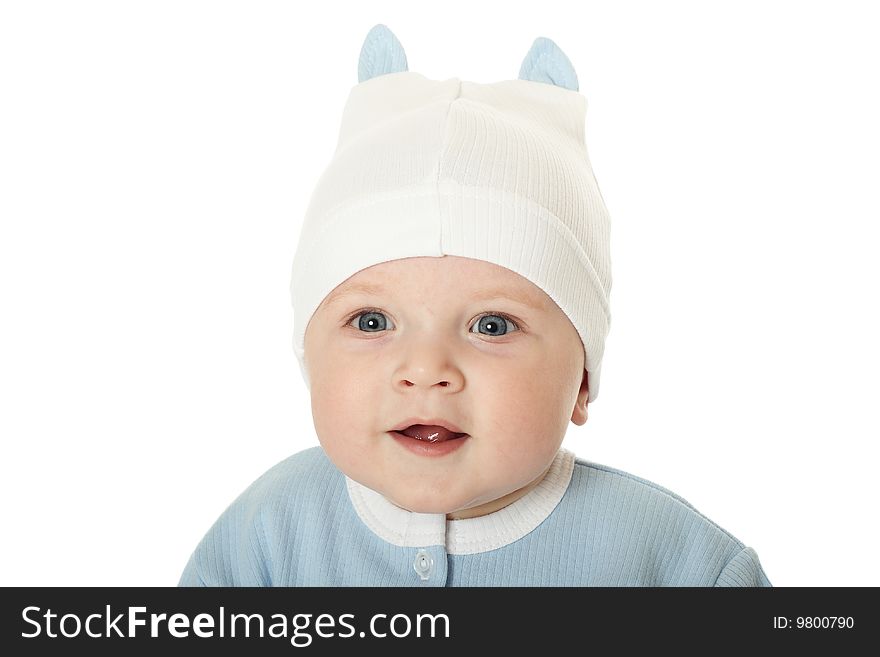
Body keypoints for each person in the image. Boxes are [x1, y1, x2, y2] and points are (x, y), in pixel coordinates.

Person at [178, 24, 771, 587]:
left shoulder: (673, 566)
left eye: (491, 325)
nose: (426, 370)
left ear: (583, 379)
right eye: (372, 321)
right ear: (308, 355)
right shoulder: (266, 540)